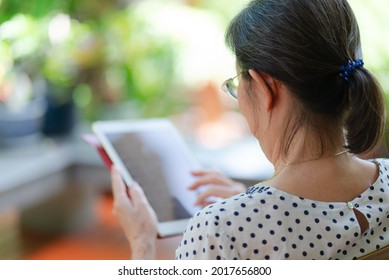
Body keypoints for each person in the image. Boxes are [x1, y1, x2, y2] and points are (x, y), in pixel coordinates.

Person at [110, 0, 389, 260]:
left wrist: (142, 241)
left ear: (266, 87)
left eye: (235, 85)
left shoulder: (220, 231)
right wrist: (246, 204)